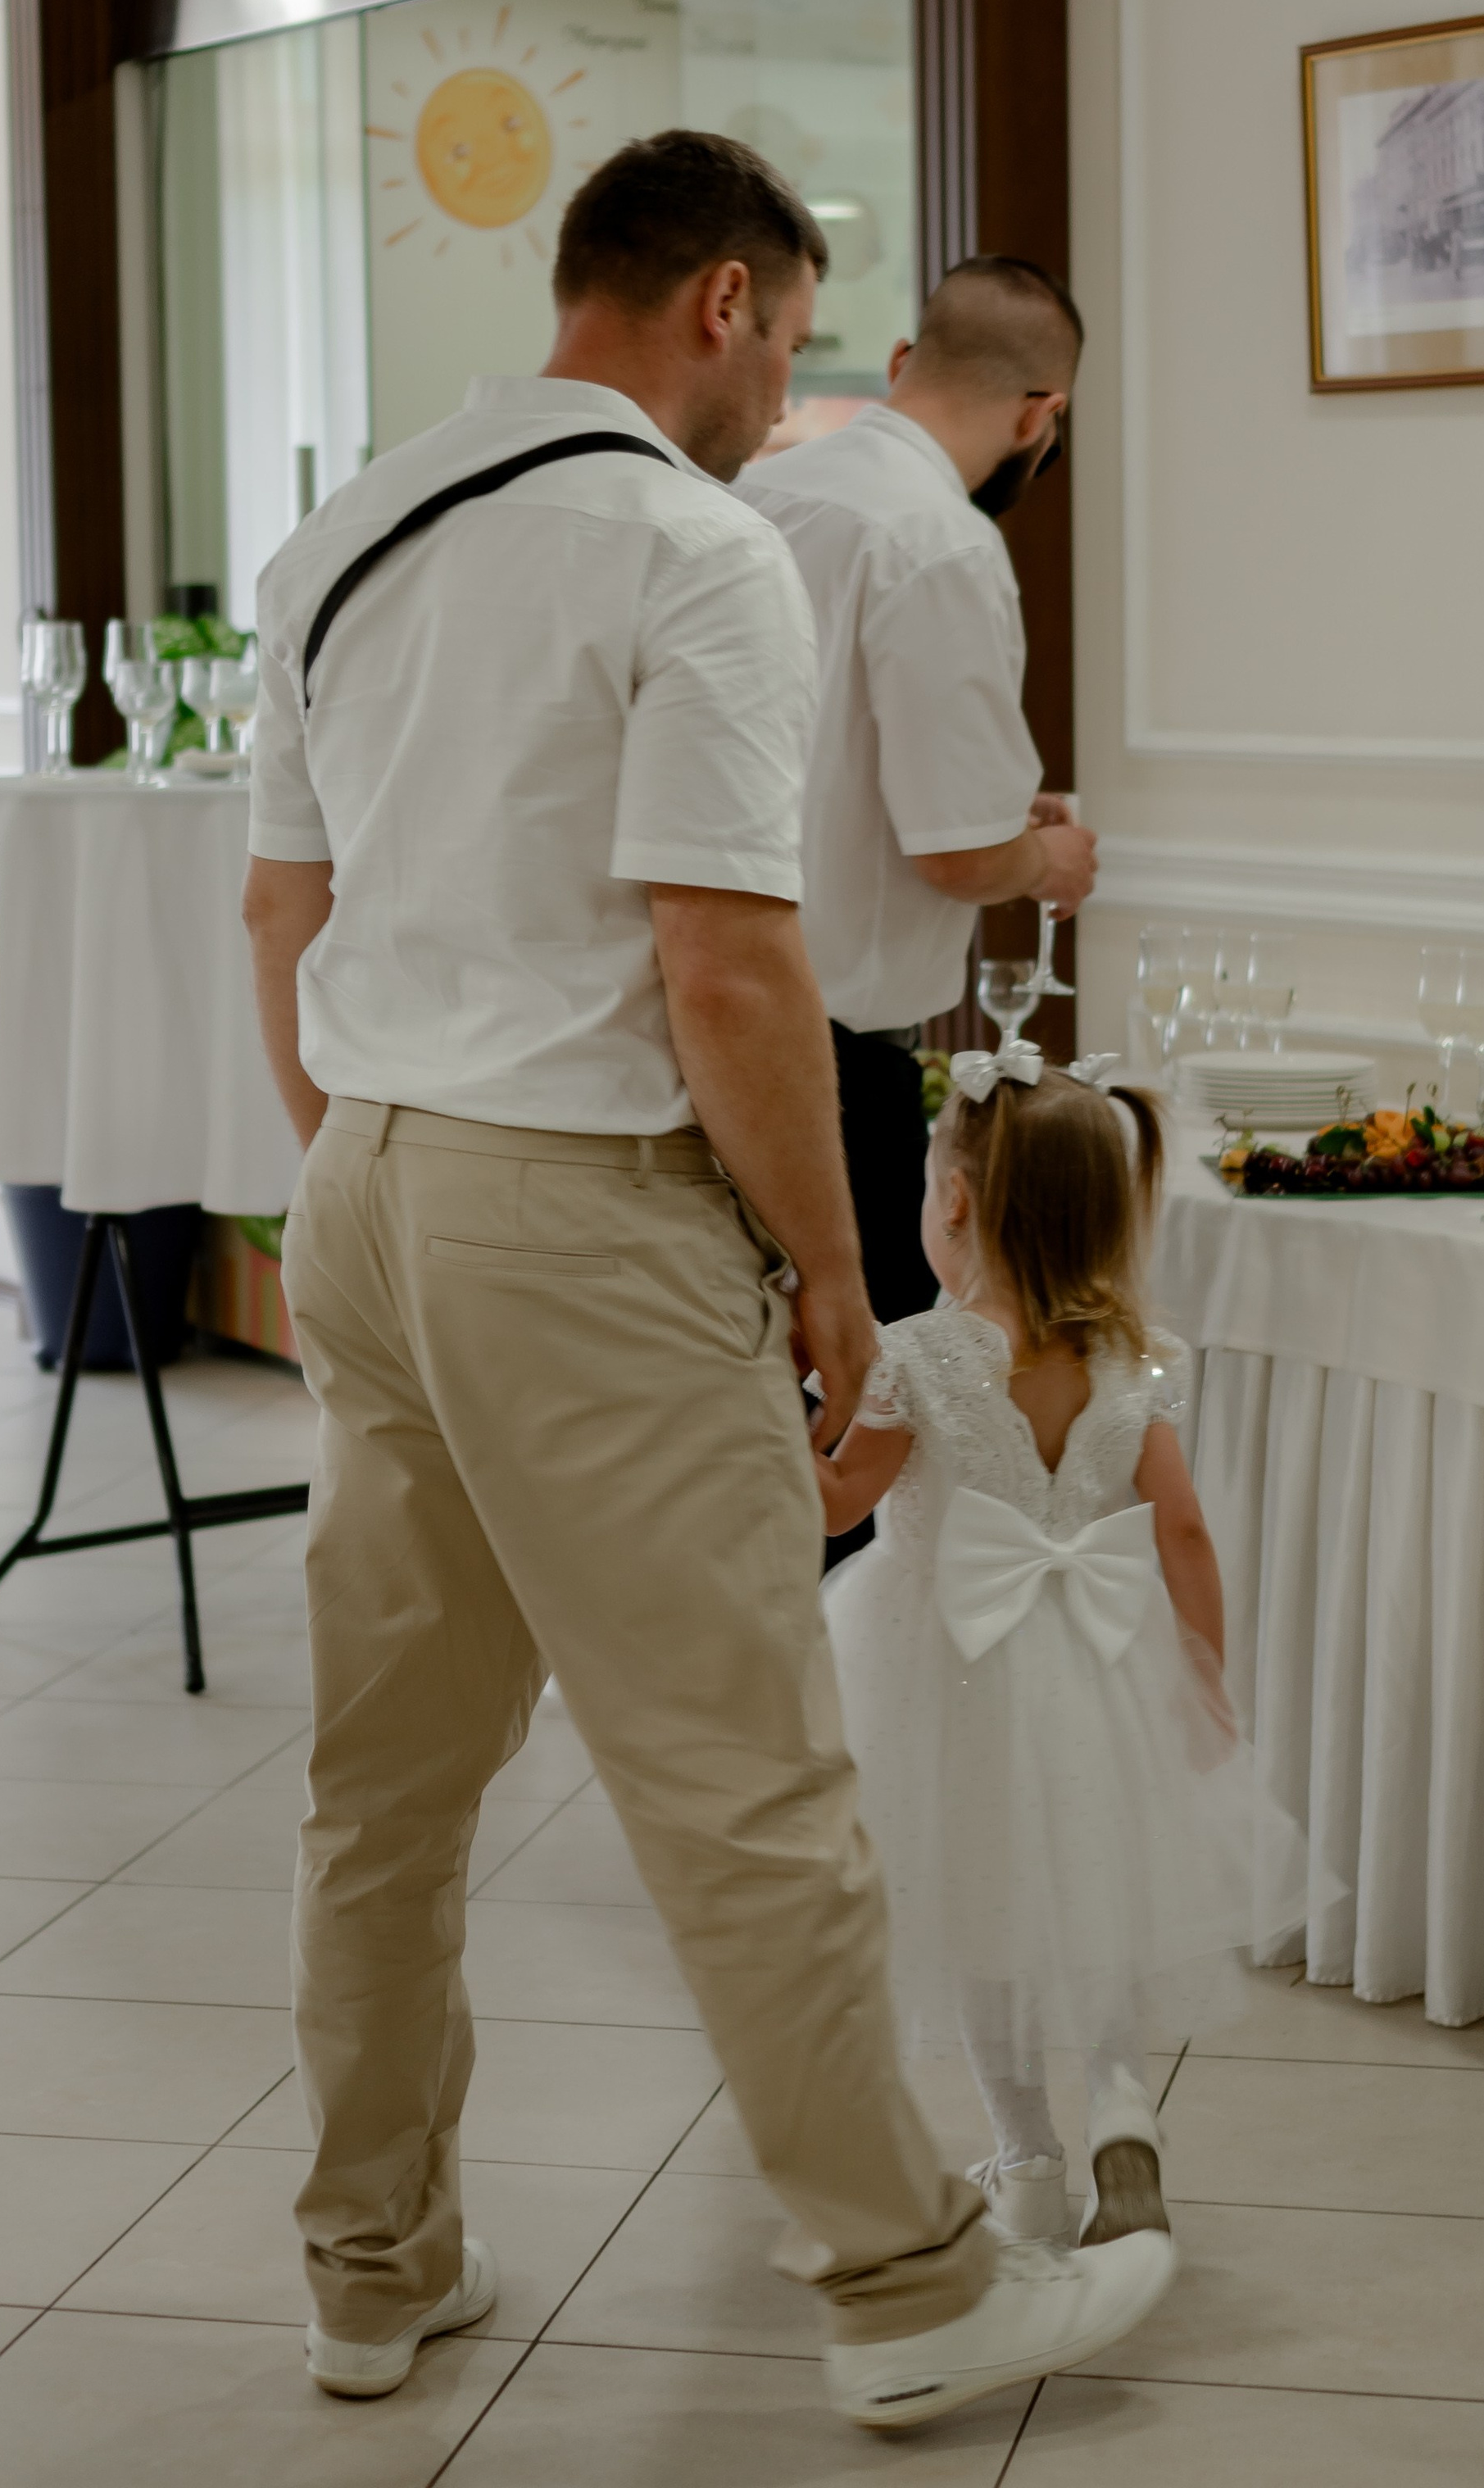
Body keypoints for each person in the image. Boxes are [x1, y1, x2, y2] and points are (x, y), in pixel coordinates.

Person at [240, 130, 1173, 2433]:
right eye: (792, 345)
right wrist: (835, 1277)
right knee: (746, 1778)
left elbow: (283, 909)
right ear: (724, 303)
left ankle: (372, 2268)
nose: (791, 403)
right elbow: (729, 963)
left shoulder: (346, 531)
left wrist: (368, 1164)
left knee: (384, 1787)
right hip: (582, 1211)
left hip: (367, 1181)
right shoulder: (690, 543)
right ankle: (911, 2284)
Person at [812, 1044, 1287, 2250]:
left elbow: (837, 1501)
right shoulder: (1134, 1357)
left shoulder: (919, 1356)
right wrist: (1203, 1681)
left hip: (945, 1675)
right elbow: (1183, 1530)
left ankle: (1026, 2159)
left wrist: (776, 1416)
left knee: (983, 1917)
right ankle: (1123, 2104)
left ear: (954, 1200)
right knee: (1095, 1897)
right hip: (1098, 1664)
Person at [737, 258, 1096, 1562]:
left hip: (696, 1025)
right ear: (1042, 414)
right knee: (859, 1454)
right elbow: (955, 855)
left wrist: (994, 822)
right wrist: (1045, 860)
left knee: (740, 1426)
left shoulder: (757, 493)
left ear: (901, 364)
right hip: (832, 1071)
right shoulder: (941, 541)